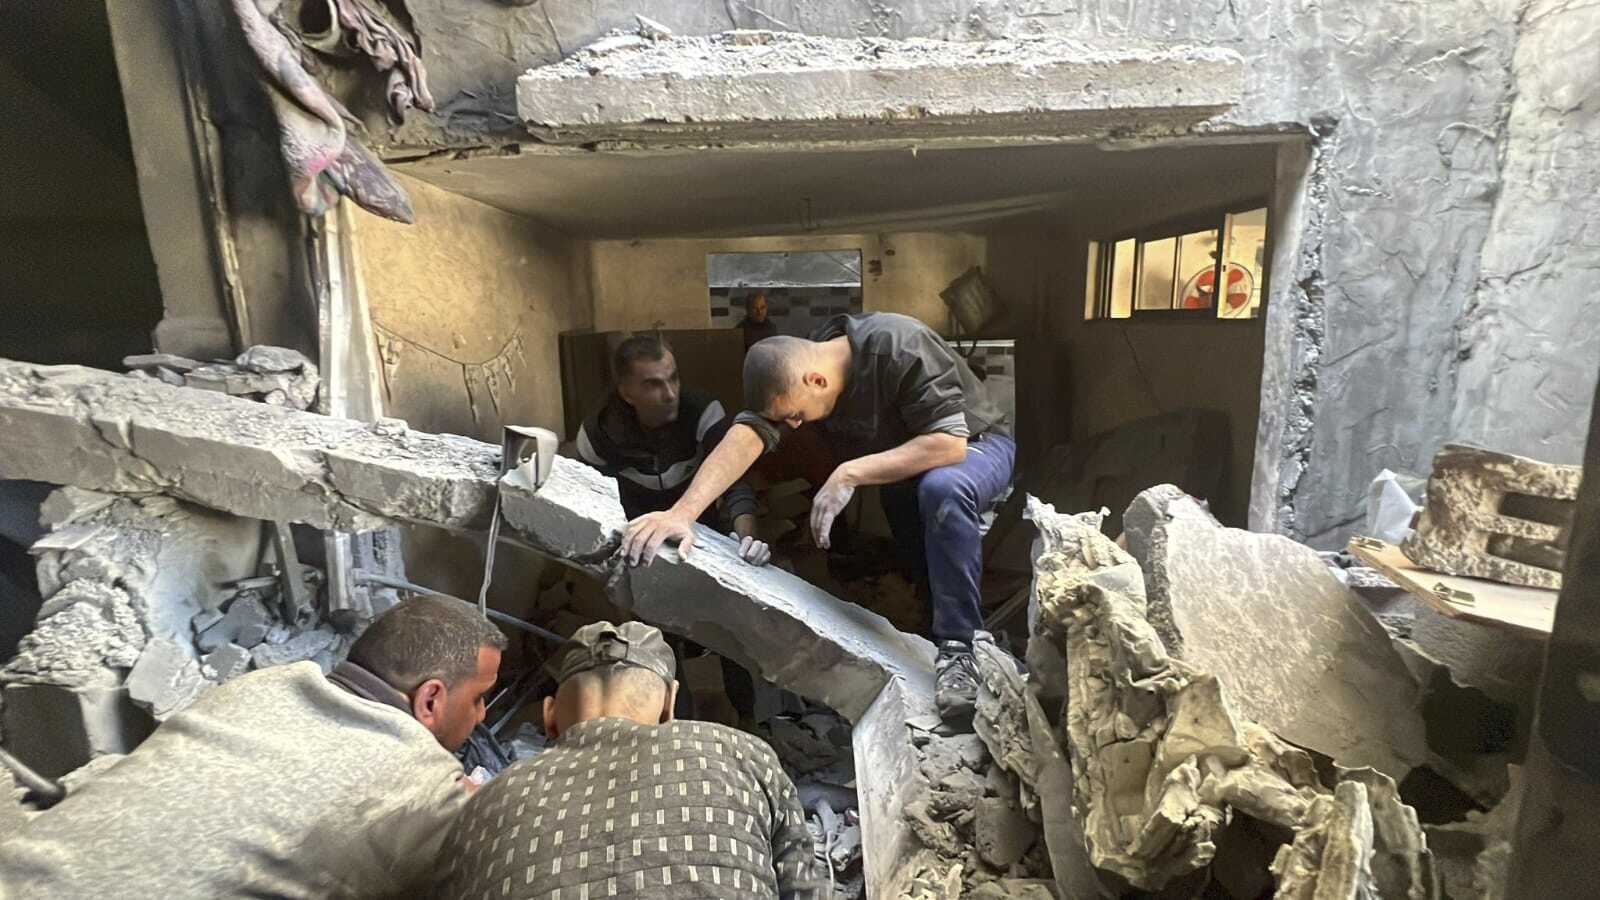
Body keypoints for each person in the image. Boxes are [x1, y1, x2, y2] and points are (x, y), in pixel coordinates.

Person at [622, 312, 1014, 721]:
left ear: (817, 382)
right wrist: (682, 513)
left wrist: (849, 473)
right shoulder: (804, 360)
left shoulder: (899, 344)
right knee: (919, 559)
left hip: (977, 445)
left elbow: (949, 445)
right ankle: (932, 646)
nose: (794, 425)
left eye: (795, 415)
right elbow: (749, 434)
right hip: (911, 466)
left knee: (942, 490)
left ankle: (960, 650)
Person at [0, 596, 506, 898]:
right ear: (431, 699)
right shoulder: (420, 780)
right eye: (480, 698)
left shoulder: (264, 685)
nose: (481, 715)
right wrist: (459, 805)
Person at [437, 621, 830, 900]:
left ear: (549, 717)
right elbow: (804, 889)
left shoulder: (483, 807)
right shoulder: (743, 754)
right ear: (670, 706)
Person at [577, 334, 771, 565]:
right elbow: (594, 504)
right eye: (654, 385)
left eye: (673, 379)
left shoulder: (703, 413)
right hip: (633, 543)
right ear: (626, 393)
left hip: (702, 537)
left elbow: (735, 482)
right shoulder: (598, 434)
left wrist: (747, 540)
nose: (670, 394)